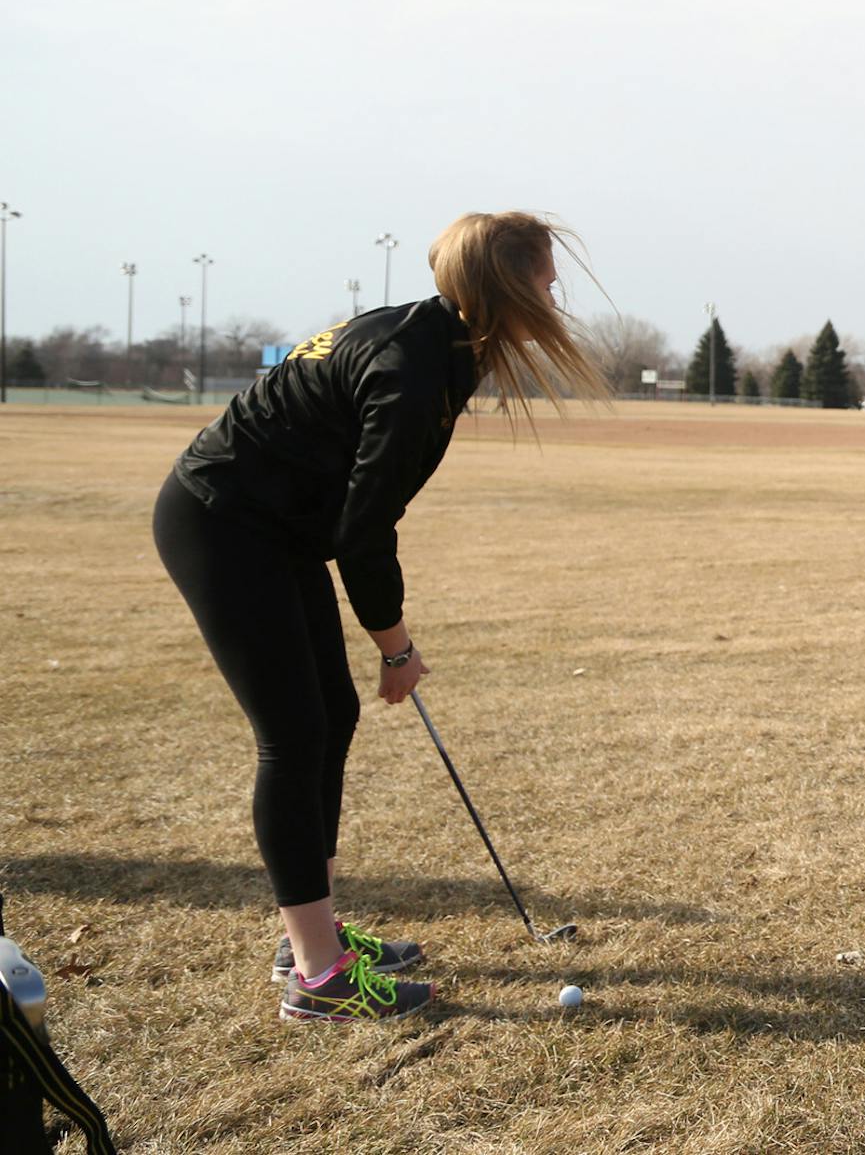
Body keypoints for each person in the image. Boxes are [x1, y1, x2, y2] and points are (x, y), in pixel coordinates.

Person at [152, 212, 608, 1022]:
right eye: (542, 275)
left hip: (275, 530)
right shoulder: (412, 366)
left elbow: (349, 515)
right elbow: (364, 529)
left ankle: (311, 935)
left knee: (330, 713)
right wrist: (397, 648)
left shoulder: (443, 342)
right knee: (293, 734)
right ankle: (319, 979)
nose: (553, 288)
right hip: (224, 521)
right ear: (507, 285)